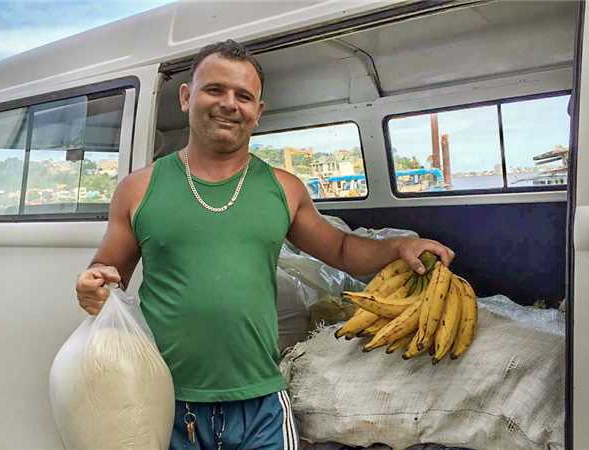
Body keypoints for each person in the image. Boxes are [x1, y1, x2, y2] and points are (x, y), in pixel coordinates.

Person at [75, 39, 455, 450]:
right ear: (187, 97)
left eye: (243, 96)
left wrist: (398, 247)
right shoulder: (138, 190)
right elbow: (108, 277)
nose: (229, 104)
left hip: (260, 404)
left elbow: (342, 250)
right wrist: (92, 287)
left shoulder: (284, 188)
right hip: (164, 399)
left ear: (258, 111)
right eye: (215, 89)